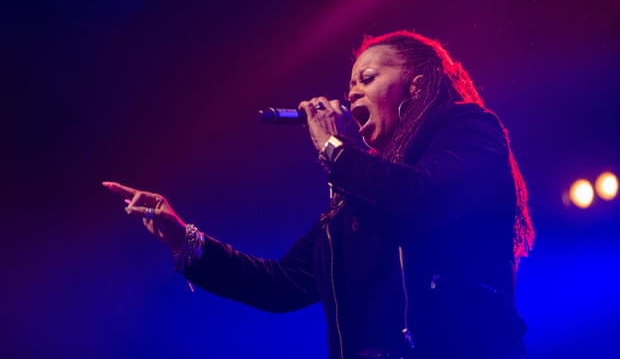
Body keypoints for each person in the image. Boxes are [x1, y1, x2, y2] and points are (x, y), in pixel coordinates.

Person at [103, 30, 534, 358]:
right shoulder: (357, 196)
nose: (351, 93)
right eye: (350, 86)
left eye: (367, 78)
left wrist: (333, 149)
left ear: (417, 85)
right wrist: (183, 237)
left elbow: (427, 196)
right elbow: (280, 284)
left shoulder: (469, 125)